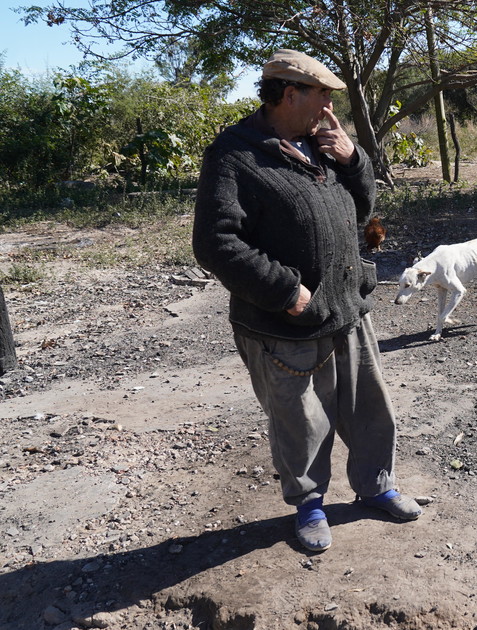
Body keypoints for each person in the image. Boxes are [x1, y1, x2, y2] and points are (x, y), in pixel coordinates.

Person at [192, 49, 421, 553]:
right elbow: (215, 242)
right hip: (283, 322)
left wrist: (353, 160)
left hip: (346, 307)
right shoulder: (234, 155)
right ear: (289, 94)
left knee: (370, 409)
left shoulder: (321, 144)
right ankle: (310, 504)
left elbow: (361, 210)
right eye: (322, 95)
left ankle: (376, 487)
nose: (329, 107)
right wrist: (286, 291)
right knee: (301, 421)